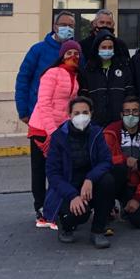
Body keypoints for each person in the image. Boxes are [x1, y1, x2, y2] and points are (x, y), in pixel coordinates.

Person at [16, 11, 77, 227]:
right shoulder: (38, 50)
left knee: (59, 168)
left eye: (71, 25)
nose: (67, 28)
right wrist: (23, 109)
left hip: (64, 125)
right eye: (64, 24)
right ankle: (41, 207)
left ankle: (57, 206)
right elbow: (23, 79)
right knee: (40, 168)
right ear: (54, 25)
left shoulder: (74, 55)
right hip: (41, 123)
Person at [44, 96, 114, 248]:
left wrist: (90, 179)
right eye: (76, 113)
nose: (81, 116)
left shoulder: (96, 133)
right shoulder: (58, 137)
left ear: (91, 113)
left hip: (89, 185)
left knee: (107, 180)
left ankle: (98, 231)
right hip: (68, 187)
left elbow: (106, 161)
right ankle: (65, 226)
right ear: (69, 115)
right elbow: (53, 173)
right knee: (78, 215)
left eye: (85, 112)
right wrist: (72, 195)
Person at [103, 96, 140, 230]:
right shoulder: (110, 132)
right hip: (115, 180)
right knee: (117, 169)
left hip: (136, 184)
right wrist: (123, 160)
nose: (131, 115)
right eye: (127, 111)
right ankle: (106, 208)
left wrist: (138, 197)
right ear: (121, 114)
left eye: (135, 111)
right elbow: (103, 160)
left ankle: (127, 205)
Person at [28, 40, 82, 157]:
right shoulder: (52, 73)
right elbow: (44, 103)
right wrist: (52, 131)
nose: (73, 56)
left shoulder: (75, 76)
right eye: (69, 53)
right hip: (42, 129)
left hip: (61, 129)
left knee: (57, 171)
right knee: (40, 172)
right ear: (62, 56)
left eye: (76, 53)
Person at [81, 31, 135, 127]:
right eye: (104, 47)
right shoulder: (89, 70)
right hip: (95, 123)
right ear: (97, 48)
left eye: (110, 47)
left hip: (119, 122)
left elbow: (130, 95)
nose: (107, 50)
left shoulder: (123, 68)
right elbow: (84, 97)